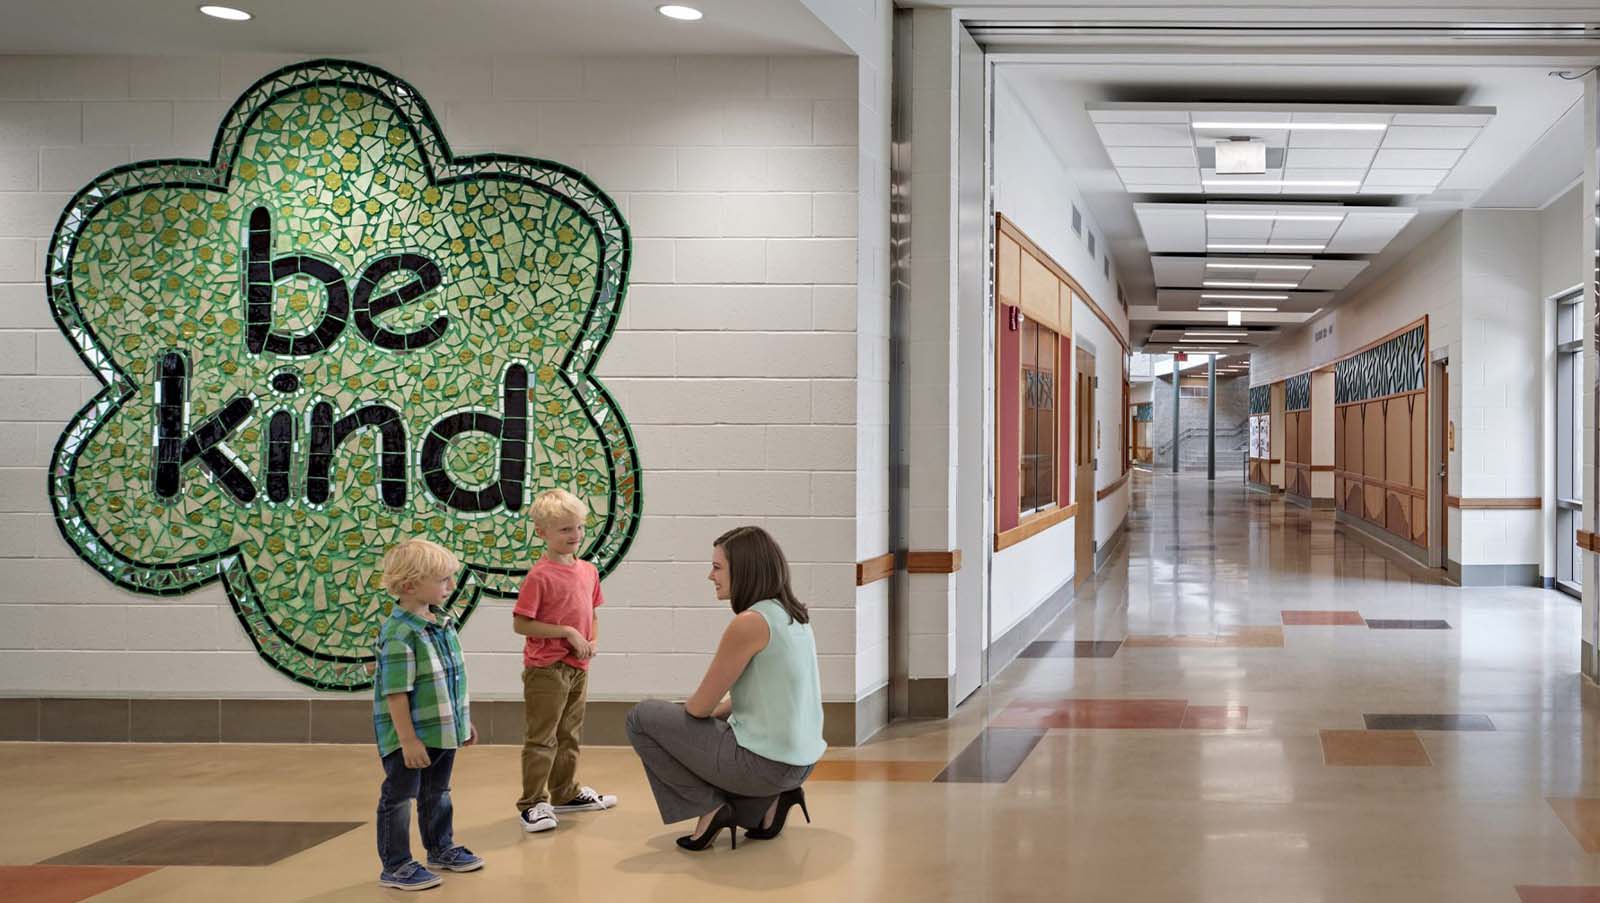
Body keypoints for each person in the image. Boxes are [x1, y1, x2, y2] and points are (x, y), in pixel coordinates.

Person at [625, 525, 826, 852]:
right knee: (700, 722)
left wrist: (683, 718)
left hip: (767, 765)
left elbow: (698, 708)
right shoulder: (793, 615)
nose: (710, 576)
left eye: (717, 567)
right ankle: (769, 801)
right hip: (801, 762)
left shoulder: (750, 623)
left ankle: (709, 808)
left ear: (743, 570)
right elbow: (769, 694)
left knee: (641, 718)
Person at [372, 538, 483, 891]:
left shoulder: (440, 624)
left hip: (442, 731)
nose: (451, 586)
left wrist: (462, 723)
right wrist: (407, 740)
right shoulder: (399, 635)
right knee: (401, 797)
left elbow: (449, 681)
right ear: (409, 586)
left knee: (438, 791)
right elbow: (396, 693)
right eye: (443, 580)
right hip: (411, 738)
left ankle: (440, 847)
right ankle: (397, 864)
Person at [512, 489, 619, 833]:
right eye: (565, 530)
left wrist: (592, 639)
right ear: (542, 532)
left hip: (578, 668)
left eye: (579, 528)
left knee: (569, 734)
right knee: (543, 737)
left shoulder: (588, 571)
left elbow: (593, 612)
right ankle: (532, 803)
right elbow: (521, 623)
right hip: (546, 669)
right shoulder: (539, 576)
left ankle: (564, 792)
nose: (575, 536)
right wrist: (568, 633)